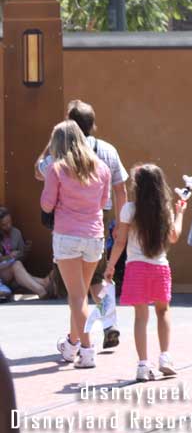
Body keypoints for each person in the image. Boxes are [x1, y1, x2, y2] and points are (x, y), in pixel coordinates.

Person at [36, 100, 128, 349]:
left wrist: (51, 143)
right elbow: (119, 190)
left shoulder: (59, 157)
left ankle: (83, 346)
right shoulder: (107, 151)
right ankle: (107, 324)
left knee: (77, 293)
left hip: (68, 228)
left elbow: (39, 172)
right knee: (99, 278)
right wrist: (121, 222)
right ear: (93, 123)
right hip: (99, 222)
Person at [40, 120, 111, 369]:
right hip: (94, 236)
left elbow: (47, 205)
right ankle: (71, 345)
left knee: (77, 296)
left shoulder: (56, 169)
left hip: (67, 236)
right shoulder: (101, 168)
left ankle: (88, 350)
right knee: (79, 295)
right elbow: (104, 201)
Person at [106, 164, 186, 382]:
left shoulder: (129, 210)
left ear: (138, 186)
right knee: (163, 312)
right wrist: (180, 214)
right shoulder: (165, 211)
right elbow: (174, 236)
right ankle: (165, 358)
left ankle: (143, 365)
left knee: (141, 317)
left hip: (136, 268)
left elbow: (120, 241)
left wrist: (110, 265)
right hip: (160, 267)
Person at [0, 206, 53, 298]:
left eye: (10, 222)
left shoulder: (16, 233)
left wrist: (25, 251)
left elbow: (22, 258)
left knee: (17, 266)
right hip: (2, 273)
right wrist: (9, 257)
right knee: (16, 265)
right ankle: (43, 288)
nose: (8, 226)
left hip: (11, 272)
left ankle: (44, 285)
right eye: (4, 225)